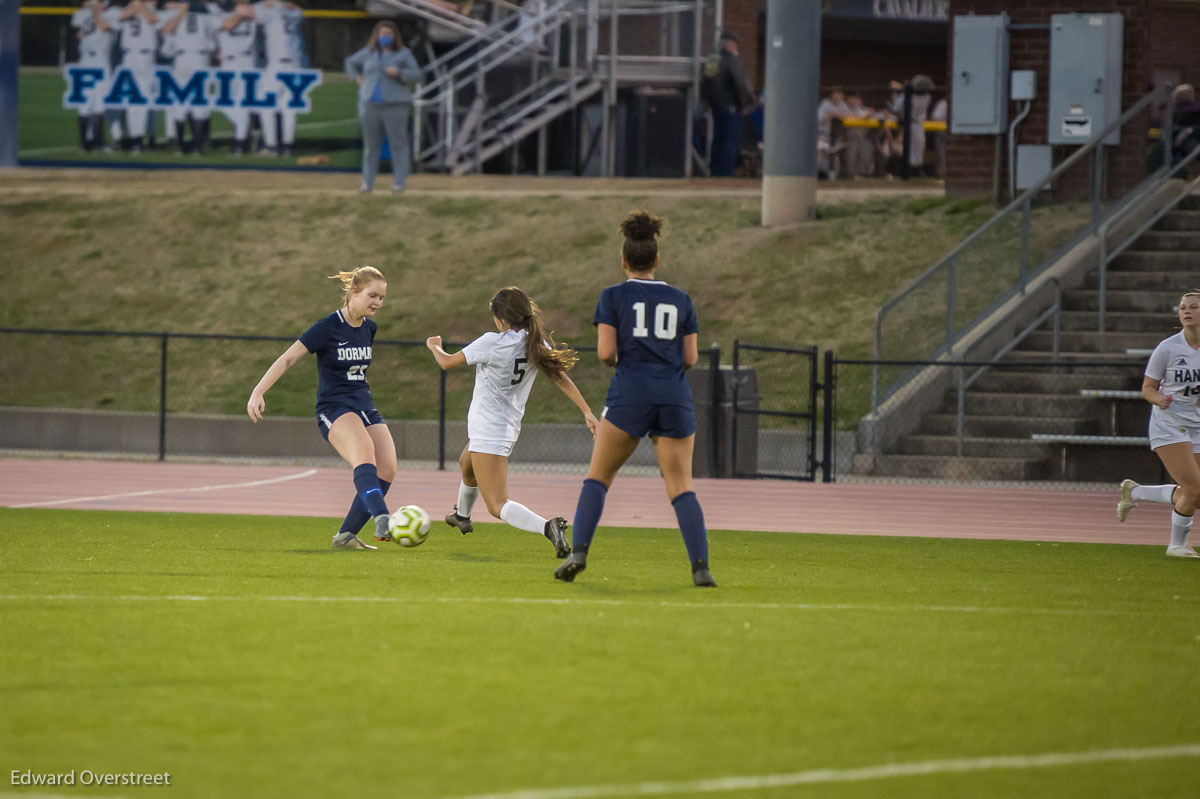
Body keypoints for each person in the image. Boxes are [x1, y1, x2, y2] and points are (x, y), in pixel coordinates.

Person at [554, 210, 717, 588]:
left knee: (598, 478)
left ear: (623, 261)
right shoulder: (681, 299)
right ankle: (700, 568)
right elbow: (691, 358)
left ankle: (578, 552)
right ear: (656, 260)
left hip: (630, 395)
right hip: (674, 397)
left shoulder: (612, 296)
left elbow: (606, 353)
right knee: (681, 486)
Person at [425, 287, 598, 557]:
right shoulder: (534, 342)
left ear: (501, 318)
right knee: (466, 463)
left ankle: (548, 527)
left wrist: (434, 346)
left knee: (497, 505)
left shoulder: (492, 342)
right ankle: (462, 515)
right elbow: (559, 377)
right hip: (505, 426)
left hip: (489, 429)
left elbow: (446, 363)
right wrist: (586, 411)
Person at [247, 266, 399, 550]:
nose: (378, 302)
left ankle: (345, 537)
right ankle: (382, 516)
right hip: (334, 408)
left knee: (388, 467)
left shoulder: (369, 328)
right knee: (364, 454)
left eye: (382, 298)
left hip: (364, 405)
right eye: (373, 295)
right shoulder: (328, 327)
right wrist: (258, 391)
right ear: (354, 291)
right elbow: (287, 359)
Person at [1116, 291, 1200, 558]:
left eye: (1194, 307)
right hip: (1169, 423)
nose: (1186, 311)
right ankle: (1176, 546)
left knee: (1196, 494)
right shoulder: (1168, 348)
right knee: (1194, 489)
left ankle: (1136, 492)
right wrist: (1159, 399)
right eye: (1183, 308)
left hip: (1196, 424)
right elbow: (1147, 388)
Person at [344, 21, 422, 194]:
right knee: (371, 147)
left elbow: (417, 74)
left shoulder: (403, 53)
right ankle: (367, 183)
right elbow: (350, 62)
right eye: (382, 33)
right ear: (376, 36)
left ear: (395, 36)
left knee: (398, 145)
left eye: (388, 33)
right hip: (370, 103)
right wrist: (357, 78)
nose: (384, 37)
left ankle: (399, 183)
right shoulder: (369, 53)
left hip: (395, 105)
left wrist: (400, 73)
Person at [252, 0, 306, 157]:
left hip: (277, 64)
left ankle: (271, 146)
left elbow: (246, 10)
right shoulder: (295, 12)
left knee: (266, 105)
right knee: (290, 109)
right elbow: (296, 8)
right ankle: (287, 146)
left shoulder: (271, 11)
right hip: (295, 64)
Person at [699, 30, 755, 178]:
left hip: (715, 107)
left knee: (717, 140)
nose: (736, 49)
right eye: (735, 45)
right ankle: (726, 174)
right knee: (730, 141)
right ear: (730, 45)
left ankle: (715, 171)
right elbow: (741, 84)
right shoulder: (732, 61)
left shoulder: (710, 60)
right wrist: (748, 103)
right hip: (731, 107)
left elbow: (704, 84)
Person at [71, 0, 122, 152]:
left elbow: (106, 26)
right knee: (85, 104)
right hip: (86, 60)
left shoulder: (111, 14)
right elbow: (78, 25)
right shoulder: (83, 15)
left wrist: (95, 12)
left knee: (99, 103)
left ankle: (98, 141)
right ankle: (86, 143)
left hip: (101, 59)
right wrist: (91, 9)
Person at [214, 2, 258, 155]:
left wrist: (242, 13)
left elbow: (229, 24)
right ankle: (246, 136)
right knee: (223, 102)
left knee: (241, 105)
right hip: (230, 62)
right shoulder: (221, 14)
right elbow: (228, 24)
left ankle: (240, 144)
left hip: (245, 62)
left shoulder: (252, 14)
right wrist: (241, 14)